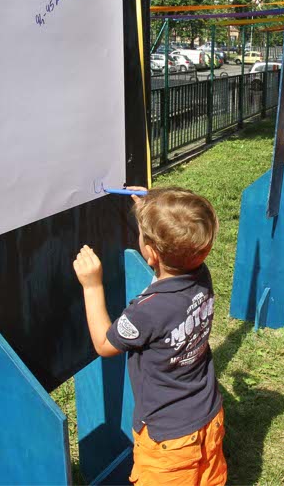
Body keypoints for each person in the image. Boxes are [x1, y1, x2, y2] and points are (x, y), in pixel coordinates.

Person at [73, 188, 226, 486]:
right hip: (208, 416)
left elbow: (105, 344)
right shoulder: (201, 275)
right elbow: (175, 256)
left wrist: (92, 286)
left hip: (168, 440)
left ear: (151, 253)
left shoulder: (147, 313)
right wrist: (152, 210)